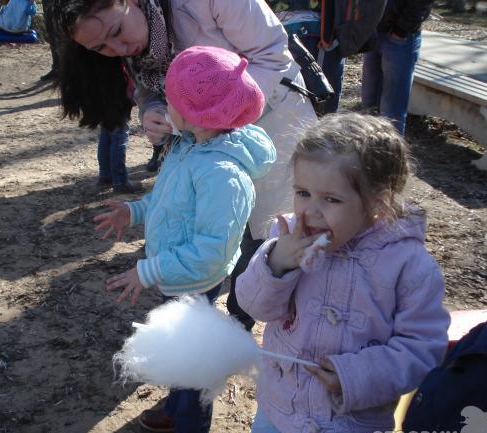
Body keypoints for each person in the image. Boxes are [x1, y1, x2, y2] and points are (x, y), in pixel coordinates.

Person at [48, 0, 318, 330]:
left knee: (261, 235)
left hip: (270, 116)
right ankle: (208, 337)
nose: (119, 48)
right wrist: (153, 110)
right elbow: (149, 87)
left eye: (117, 31)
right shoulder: (136, 49)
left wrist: (216, 116)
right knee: (212, 227)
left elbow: (272, 51)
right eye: (101, 47)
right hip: (199, 138)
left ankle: (239, 323)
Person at [93, 46, 276, 433]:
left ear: (200, 115)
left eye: (171, 102)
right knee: (180, 346)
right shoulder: (189, 144)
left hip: (194, 277)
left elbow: (211, 250)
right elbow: (168, 202)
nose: (164, 108)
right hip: (175, 270)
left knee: (195, 368)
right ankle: (176, 408)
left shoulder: (222, 177)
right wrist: (134, 212)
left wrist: (148, 271)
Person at [236, 113, 450, 433]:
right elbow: (253, 306)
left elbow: (422, 349)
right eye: (302, 192)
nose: (310, 211)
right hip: (281, 406)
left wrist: (357, 377)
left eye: (331, 199)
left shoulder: (409, 267)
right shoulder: (287, 237)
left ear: (377, 203)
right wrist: (277, 264)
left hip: (348, 424)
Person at [361, 0, 434, 135]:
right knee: (368, 103)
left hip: (400, 37)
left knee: (392, 109)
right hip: (373, 31)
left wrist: (401, 29)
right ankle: (366, 151)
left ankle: (391, 153)